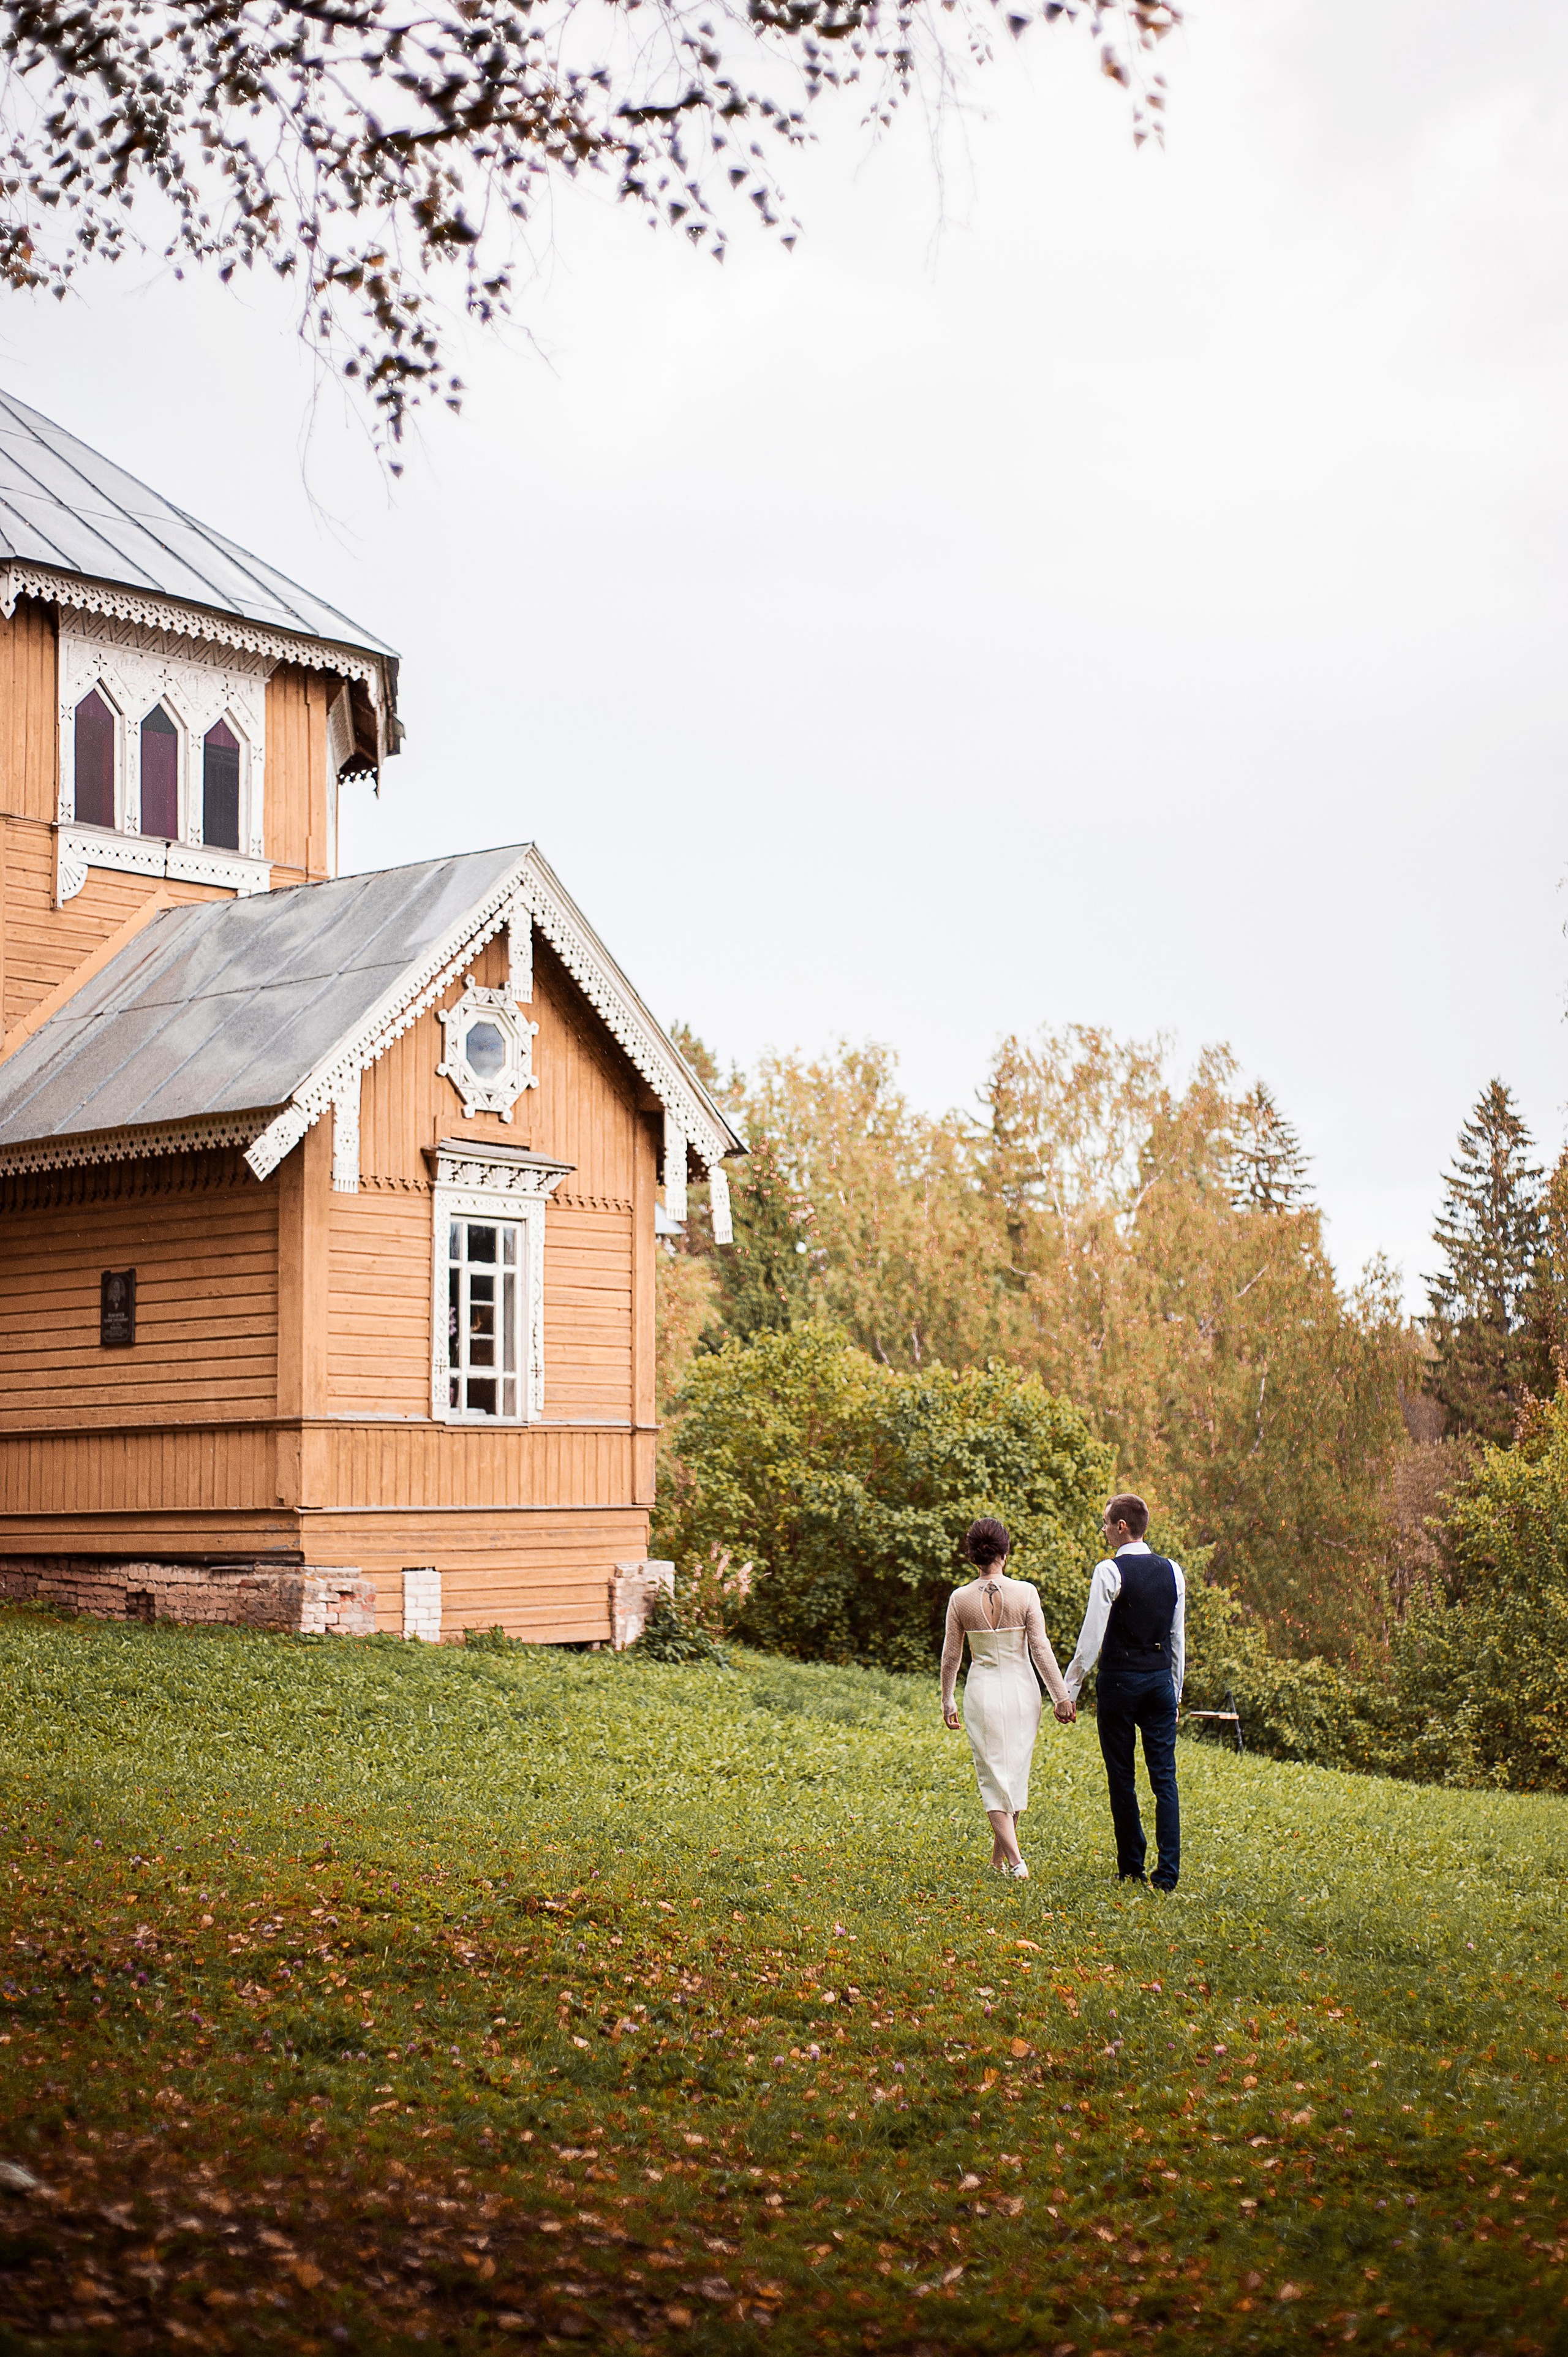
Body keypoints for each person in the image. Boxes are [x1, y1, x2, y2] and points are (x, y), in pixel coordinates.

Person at [1062, 1493, 1186, 1892]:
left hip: (1119, 1681)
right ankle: (1167, 1875)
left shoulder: (1109, 1571)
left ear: (1121, 1527)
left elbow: (1091, 1638)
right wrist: (1176, 1693)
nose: (1102, 1529)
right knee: (1164, 1778)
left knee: (1122, 1776)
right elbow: (1176, 1638)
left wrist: (1071, 1687)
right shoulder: (1173, 1571)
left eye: (1105, 1522)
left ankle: (1131, 1866)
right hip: (1159, 1683)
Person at [941, 1516, 1075, 1880]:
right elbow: (1041, 1649)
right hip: (1022, 1691)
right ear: (1006, 1550)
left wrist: (948, 1698)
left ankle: (1011, 1863)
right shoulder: (1026, 1592)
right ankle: (1007, 1862)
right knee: (1012, 1775)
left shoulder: (960, 1599)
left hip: (983, 1692)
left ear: (973, 1556)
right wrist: (1061, 1696)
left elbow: (952, 1655)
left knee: (994, 1778)